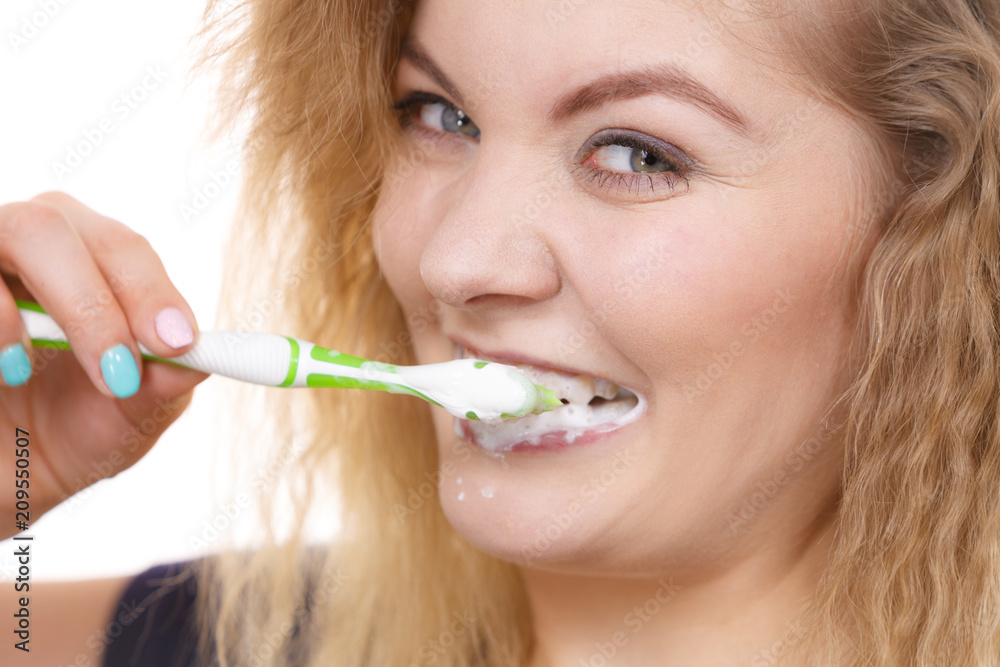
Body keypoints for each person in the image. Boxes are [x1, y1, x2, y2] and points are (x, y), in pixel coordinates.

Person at [3, 0, 1000, 664]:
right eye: (440, 114)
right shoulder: (223, 641)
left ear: (941, 245)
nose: (456, 262)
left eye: (634, 150)